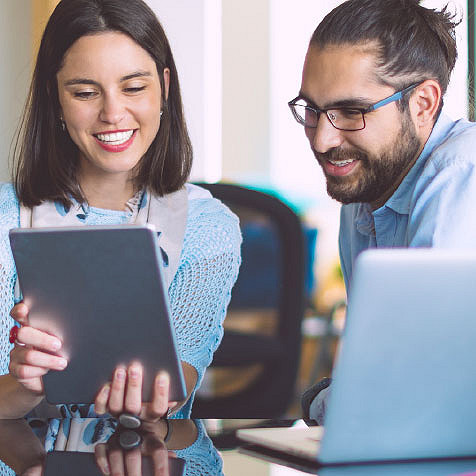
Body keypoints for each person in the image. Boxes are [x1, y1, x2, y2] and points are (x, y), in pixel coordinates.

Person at [0, 0, 241, 421]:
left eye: (133, 88)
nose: (113, 113)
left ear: (164, 87)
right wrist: (24, 385)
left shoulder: (208, 226)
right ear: (55, 99)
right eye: (86, 92)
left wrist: (155, 396)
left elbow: (176, 382)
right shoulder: (6, 217)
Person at [289, 0, 476, 422]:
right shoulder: (363, 190)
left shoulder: (463, 174)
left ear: (423, 104)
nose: (321, 140)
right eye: (313, 111)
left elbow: (414, 387)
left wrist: (317, 400)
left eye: (352, 112)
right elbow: (378, 377)